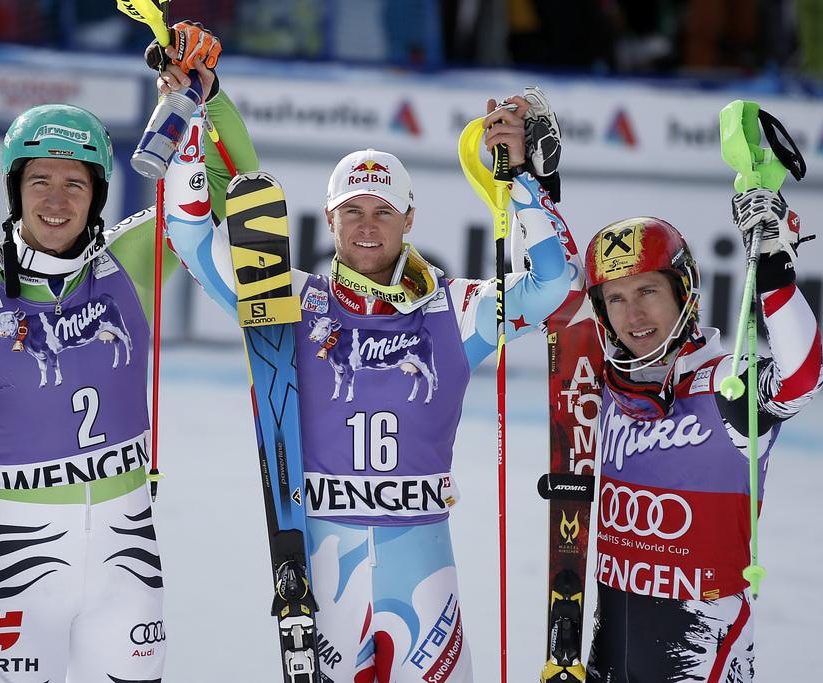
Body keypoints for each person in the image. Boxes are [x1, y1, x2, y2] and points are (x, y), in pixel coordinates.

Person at [159, 45, 574, 682]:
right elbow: (190, 238)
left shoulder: (455, 308)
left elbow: (552, 286)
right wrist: (186, 117)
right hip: (323, 574)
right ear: (329, 219)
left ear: (410, 217)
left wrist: (518, 184)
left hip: (424, 573)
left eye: (384, 210)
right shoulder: (289, 301)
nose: (368, 225)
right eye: (352, 209)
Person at [0, 23, 252, 682]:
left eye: (75, 183)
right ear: (15, 189)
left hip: (128, 568)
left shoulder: (132, 264)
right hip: (19, 572)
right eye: (39, 180)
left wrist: (207, 99)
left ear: (98, 194)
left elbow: (238, 193)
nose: (55, 198)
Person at [582, 190, 823, 682]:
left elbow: (801, 379)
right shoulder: (601, 390)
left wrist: (775, 268)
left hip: (703, 655)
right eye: (616, 299)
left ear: (683, 291)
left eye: (647, 291)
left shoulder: (726, 385)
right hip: (609, 653)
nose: (633, 317)